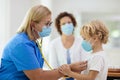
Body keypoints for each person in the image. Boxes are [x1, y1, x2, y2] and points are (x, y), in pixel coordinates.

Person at [0, 5, 87, 80]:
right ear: (33, 25)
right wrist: (70, 68)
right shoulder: (21, 44)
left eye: (50, 23)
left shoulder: (33, 43)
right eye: (47, 24)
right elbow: (38, 77)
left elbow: (39, 72)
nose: (49, 27)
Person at [48, 12, 87, 80]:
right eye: (63, 24)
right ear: (59, 27)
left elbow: (84, 66)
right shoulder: (54, 44)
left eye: (69, 22)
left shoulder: (81, 42)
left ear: (73, 24)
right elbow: (53, 69)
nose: (67, 25)